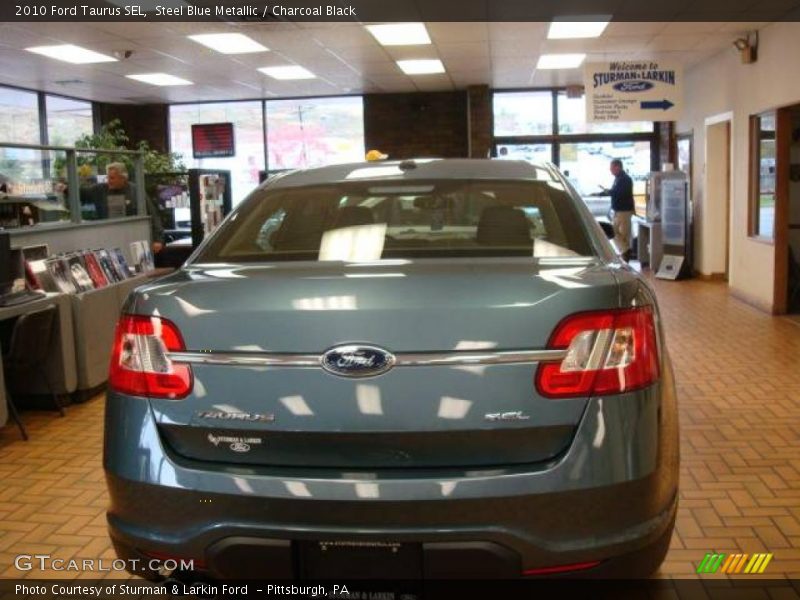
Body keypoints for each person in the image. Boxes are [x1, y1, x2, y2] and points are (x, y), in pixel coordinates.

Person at [89, 163, 164, 254]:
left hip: (132, 239)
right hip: (109, 240)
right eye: (107, 177)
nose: (108, 181)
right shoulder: (101, 190)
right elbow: (82, 193)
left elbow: (152, 214)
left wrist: (158, 239)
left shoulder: (135, 191)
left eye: (112, 178)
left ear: (123, 178)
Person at [600, 158, 635, 261]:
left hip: (624, 210)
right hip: (617, 210)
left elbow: (620, 193)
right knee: (614, 232)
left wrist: (609, 192)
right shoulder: (618, 179)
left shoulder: (625, 179)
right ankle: (625, 250)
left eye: (612, 169)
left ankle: (626, 254)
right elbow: (615, 191)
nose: (611, 171)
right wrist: (606, 192)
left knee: (623, 234)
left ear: (618, 167)